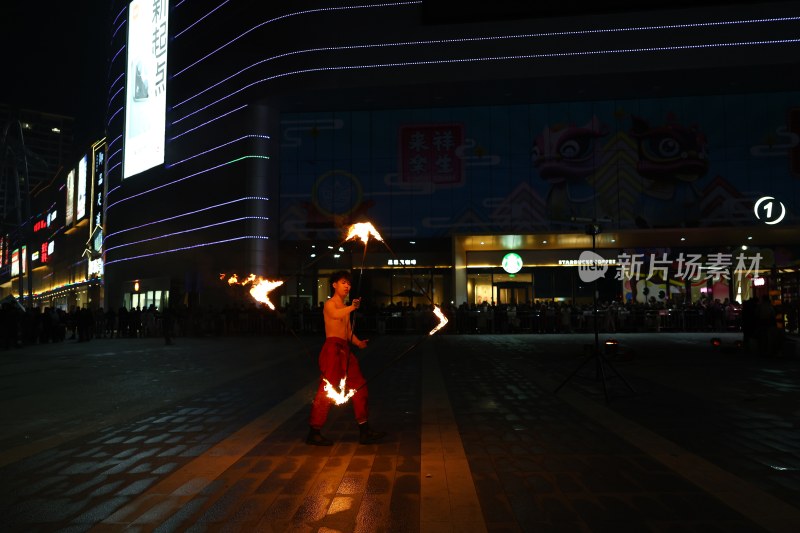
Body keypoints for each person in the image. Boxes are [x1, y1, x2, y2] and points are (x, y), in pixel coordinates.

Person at [306, 270, 386, 446]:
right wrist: (352, 307)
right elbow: (335, 316)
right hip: (332, 349)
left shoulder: (345, 308)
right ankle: (314, 431)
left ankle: (364, 430)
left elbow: (348, 332)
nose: (347, 286)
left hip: (345, 350)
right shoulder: (330, 304)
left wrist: (358, 343)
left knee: (359, 387)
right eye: (343, 282)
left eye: (349, 283)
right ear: (334, 285)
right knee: (326, 390)